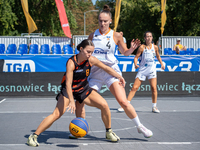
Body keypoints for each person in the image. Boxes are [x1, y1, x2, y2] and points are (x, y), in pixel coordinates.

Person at [74, 4, 153, 139]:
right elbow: (85, 53)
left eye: (105, 21)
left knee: (123, 101)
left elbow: (125, 52)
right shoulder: (92, 35)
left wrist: (131, 49)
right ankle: (79, 128)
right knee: (80, 100)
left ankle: (140, 126)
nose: (102, 23)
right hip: (96, 73)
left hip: (111, 72)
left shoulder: (116, 35)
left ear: (110, 21)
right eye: (100, 21)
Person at [27, 39, 125, 147]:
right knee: (57, 114)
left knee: (104, 105)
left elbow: (106, 68)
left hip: (83, 88)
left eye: (91, 52)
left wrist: (119, 76)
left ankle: (108, 132)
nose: (90, 54)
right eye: (88, 51)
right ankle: (33, 136)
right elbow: (68, 84)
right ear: (81, 49)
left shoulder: (91, 60)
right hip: (69, 90)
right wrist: (71, 101)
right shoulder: (71, 62)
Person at [118, 31, 165, 113]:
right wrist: (135, 64)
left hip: (151, 70)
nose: (149, 38)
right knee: (134, 88)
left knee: (154, 88)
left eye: (150, 36)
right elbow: (136, 57)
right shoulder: (142, 47)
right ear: (145, 38)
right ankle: (125, 106)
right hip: (142, 70)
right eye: (147, 36)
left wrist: (161, 63)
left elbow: (158, 56)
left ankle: (154, 107)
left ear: (152, 38)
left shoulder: (155, 47)